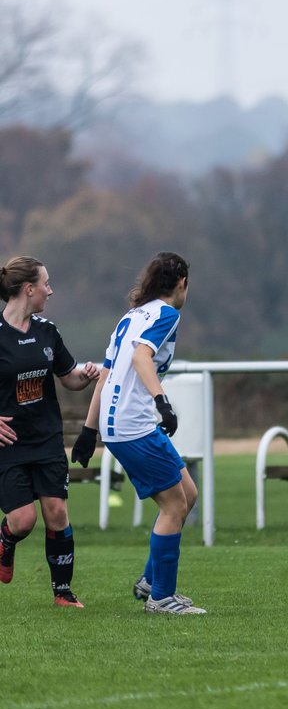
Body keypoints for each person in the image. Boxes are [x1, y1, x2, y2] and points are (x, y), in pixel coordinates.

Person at [73, 251, 205, 614]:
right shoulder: (166, 314)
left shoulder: (130, 317)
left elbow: (106, 373)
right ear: (181, 283)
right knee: (174, 505)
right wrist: (163, 401)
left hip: (123, 424)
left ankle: (150, 581)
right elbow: (140, 358)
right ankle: (161, 598)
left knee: (187, 494)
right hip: (134, 424)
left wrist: (89, 430)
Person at [0, 256, 101, 607]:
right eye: (46, 283)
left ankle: (63, 593)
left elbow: (68, 377)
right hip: (9, 445)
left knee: (56, 512)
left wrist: (85, 377)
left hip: (46, 439)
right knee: (23, 521)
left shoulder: (48, 331)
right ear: (29, 289)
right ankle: (6, 539)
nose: (50, 290)